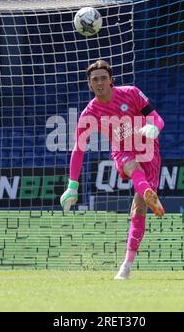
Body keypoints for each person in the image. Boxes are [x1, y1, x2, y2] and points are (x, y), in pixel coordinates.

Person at [60, 59, 165, 280]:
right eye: (94, 80)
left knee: (138, 211)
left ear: (111, 80)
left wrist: (154, 126)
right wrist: (72, 185)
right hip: (123, 151)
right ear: (90, 84)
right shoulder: (90, 113)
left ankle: (127, 264)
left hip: (149, 150)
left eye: (103, 78)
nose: (99, 83)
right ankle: (147, 191)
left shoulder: (132, 93)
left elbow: (156, 117)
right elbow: (78, 150)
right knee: (130, 164)